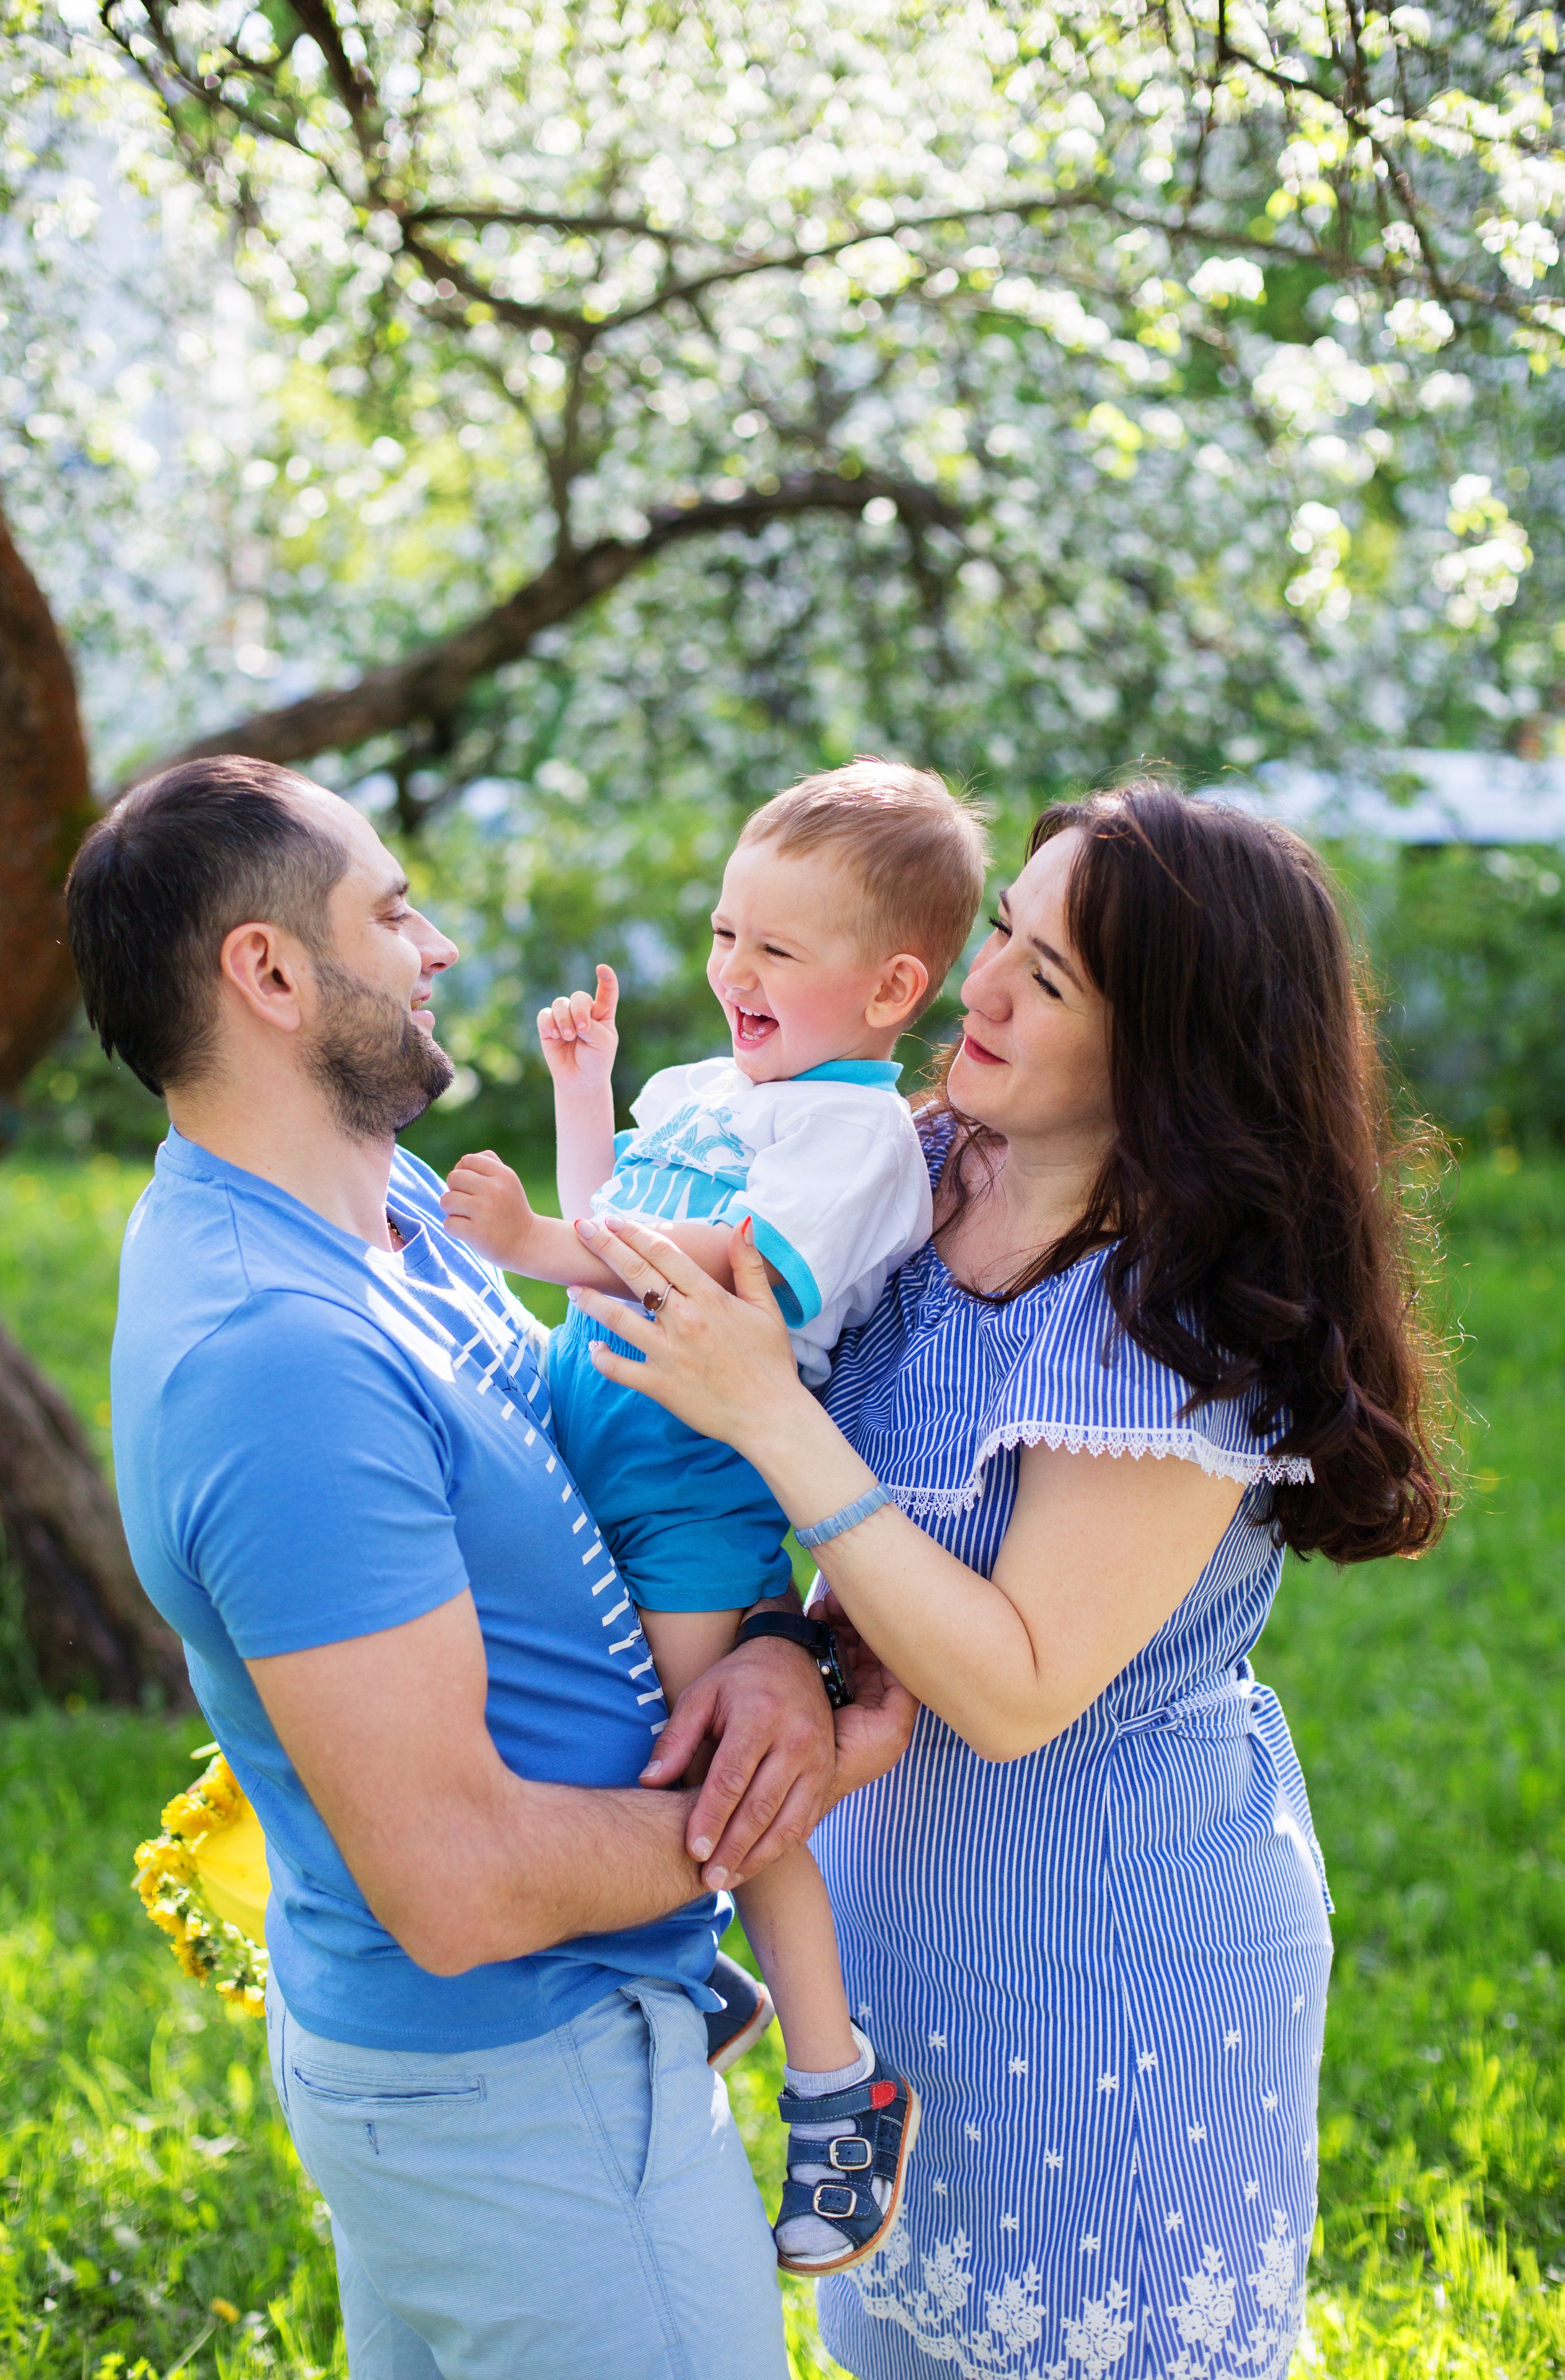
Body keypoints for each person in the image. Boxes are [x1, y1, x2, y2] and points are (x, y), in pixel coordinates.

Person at [556, 781, 1450, 2380]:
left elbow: (1011, 1685)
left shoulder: (1176, 1323)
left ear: (1169, 1047)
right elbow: (790, 1533)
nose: (970, 989)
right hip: (897, 1939)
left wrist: (765, 1408)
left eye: (1042, 979)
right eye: (997, 938)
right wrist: (775, 1649)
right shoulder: (906, 1169)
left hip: (1114, 1972)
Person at [65, 755, 916, 2380]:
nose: (437, 944)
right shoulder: (274, 1353)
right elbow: (456, 1887)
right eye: (391, 911)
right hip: (524, 2093)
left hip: (547, 2055)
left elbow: (568, 1458)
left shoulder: (376, 1203)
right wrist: (788, 1788)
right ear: (268, 973)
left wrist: (760, 1655)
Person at [442, 762, 987, 2272]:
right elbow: (617, 1198)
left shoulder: (855, 1147)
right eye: (724, 932)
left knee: (733, 1796)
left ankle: (836, 2082)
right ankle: (712, 1985)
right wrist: (582, 1087)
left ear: (889, 988)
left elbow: (733, 1276)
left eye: (776, 952)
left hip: (693, 1490)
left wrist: (548, 1245)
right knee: (552, 1712)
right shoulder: (702, 1092)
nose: (732, 972)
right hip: (584, 1447)